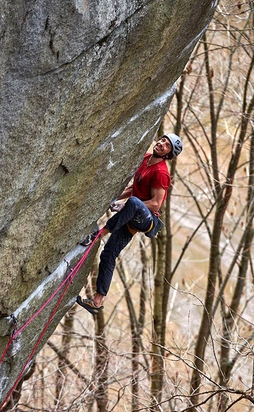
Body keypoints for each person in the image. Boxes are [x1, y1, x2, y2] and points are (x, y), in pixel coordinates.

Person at [77, 133, 183, 315]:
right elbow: (133, 188)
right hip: (131, 216)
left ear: (168, 154)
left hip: (146, 219)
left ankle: (98, 235)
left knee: (134, 203)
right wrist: (114, 199)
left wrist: (127, 205)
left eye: (166, 145)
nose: (161, 143)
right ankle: (96, 301)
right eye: (162, 140)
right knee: (108, 254)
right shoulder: (146, 159)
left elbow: (156, 203)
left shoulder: (161, 173)